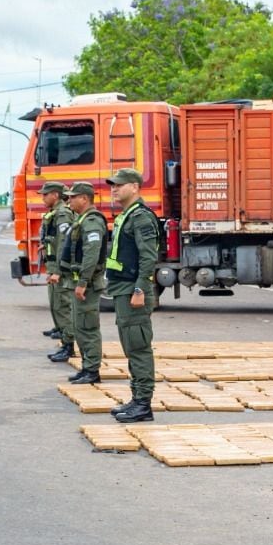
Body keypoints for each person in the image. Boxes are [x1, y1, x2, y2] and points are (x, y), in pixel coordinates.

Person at [103, 169, 161, 423]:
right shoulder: (126, 216)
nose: (113, 189)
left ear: (135, 187)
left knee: (138, 348)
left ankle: (143, 404)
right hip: (122, 289)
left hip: (132, 290)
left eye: (119, 185)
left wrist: (139, 289)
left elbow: (148, 257)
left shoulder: (140, 217)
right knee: (131, 346)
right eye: (112, 186)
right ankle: (137, 397)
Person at [62, 182, 109, 385]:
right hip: (79, 283)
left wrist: (83, 281)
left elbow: (91, 254)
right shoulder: (82, 219)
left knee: (88, 328)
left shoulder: (91, 222)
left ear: (84, 198)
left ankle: (92, 370)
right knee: (80, 326)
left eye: (73, 197)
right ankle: (87, 366)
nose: (69, 200)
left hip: (87, 285)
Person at [37, 181, 73, 352]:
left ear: (55, 195)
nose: (42, 198)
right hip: (54, 266)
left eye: (45, 194)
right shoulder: (55, 213)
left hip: (60, 269)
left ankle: (68, 344)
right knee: (56, 303)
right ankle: (63, 333)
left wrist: (58, 270)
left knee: (63, 305)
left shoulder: (63, 215)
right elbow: (54, 240)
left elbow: (64, 244)